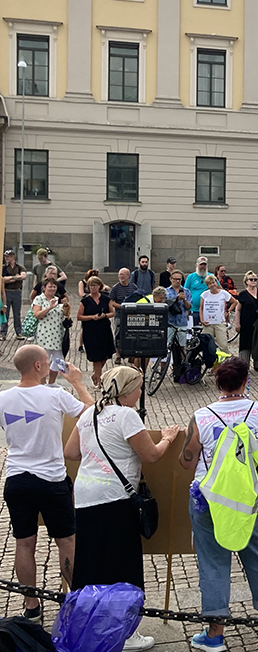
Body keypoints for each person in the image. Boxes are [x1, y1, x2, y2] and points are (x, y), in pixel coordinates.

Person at [64, 366, 179, 651]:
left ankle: (90, 628)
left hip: (86, 496)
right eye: (139, 387)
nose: (141, 392)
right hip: (115, 498)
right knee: (122, 565)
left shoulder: (89, 414)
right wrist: (167, 438)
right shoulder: (127, 416)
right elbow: (151, 455)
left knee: (91, 564)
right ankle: (122, 633)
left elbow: (71, 453)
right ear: (129, 391)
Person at [179, 357, 258, 650]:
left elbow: (186, 462)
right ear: (245, 381)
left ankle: (215, 634)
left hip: (209, 499)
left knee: (212, 562)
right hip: (251, 497)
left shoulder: (201, 416)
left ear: (218, 384)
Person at [1, 345, 93, 621]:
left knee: (24, 543)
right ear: (38, 366)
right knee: (66, 540)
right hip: (51, 479)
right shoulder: (55, 396)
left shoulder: (3, 399)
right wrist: (76, 382)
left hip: (16, 478)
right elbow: (91, 413)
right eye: (47, 361)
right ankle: (76, 600)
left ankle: (31, 606)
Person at [78, 276, 115, 387]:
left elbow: (112, 313)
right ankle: (99, 381)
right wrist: (91, 317)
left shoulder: (106, 299)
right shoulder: (85, 301)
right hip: (91, 331)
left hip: (104, 329)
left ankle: (96, 375)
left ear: (100, 286)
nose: (93, 287)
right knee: (96, 358)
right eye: (90, 286)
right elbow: (79, 316)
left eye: (95, 285)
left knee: (105, 356)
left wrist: (104, 315)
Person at [31, 278, 70, 383]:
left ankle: (52, 382)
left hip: (57, 334)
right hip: (44, 334)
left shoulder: (58, 299)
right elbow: (37, 315)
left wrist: (66, 307)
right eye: (50, 286)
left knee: (60, 361)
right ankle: (42, 382)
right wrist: (49, 307)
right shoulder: (39, 299)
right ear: (44, 288)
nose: (52, 288)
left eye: (54, 286)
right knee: (44, 360)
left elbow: (65, 315)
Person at [235, 271, 258, 372]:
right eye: (251, 279)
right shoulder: (243, 294)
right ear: (246, 281)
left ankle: (257, 364)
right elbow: (238, 309)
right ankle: (244, 365)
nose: (253, 281)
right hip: (246, 323)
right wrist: (237, 323)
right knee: (245, 343)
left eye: (255, 279)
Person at [166, 270, 192, 376]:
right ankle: (165, 368)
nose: (177, 281)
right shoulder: (166, 291)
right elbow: (165, 304)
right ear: (170, 279)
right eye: (175, 279)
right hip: (170, 322)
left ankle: (181, 368)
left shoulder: (186, 291)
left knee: (182, 346)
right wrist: (176, 298)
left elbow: (189, 306)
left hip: (182, 322)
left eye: (179, 279)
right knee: (168, 346)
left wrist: (184, 299)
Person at [199, 274, 234, 349]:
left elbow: (235, 302)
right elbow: (201, 308)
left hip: (220, 322)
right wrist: (202, 320)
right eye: (210, 283)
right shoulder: (204, 295)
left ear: (216, 282)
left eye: (213, 282)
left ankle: (224, 360)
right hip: (208, 323)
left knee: (223, 345)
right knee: (207, 345)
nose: (212, 285)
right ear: (207, 285)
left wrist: (228, 311)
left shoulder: (223, 293)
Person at [2, 249, 27, 339]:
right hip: (6, 291)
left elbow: (23, 276)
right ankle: (3, 333)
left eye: (8, 256)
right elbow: (3, 279)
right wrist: (16, 277)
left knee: (17, 313)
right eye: (5, 256)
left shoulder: (20, 267)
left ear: (13, 257)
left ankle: (18, 332)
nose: (6, 258)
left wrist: (10, 278)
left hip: (17, 291)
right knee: (5, 313)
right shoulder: (3, 268)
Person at [186, 256, 211, 323]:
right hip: (193, 310)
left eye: (204, 265)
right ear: (196, 265)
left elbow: (218, 289)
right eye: (201, 265)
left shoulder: (211, 277)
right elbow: (185, 292)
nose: (203, 266)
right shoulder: (191, 277)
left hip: (208, 310)